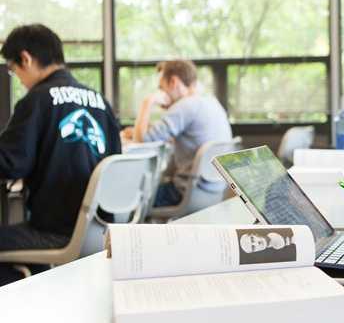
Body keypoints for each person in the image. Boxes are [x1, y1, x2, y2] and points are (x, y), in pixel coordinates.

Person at [0, 24, 121, 282]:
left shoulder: (36, 100)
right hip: (99, 229)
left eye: (14, 71)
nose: (19, 80)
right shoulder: (100, 101)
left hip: (56, 231)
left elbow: (10, 164)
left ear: (26, 59)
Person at [123, 60, 232, 207]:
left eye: (161, 88)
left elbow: (140, 141)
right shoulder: (211, 102)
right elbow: (174, 133)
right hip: (213, 191)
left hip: (185, 193)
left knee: (128, 198)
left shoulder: (185, 105)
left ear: (173, 82)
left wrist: (147, 102)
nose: (161, 93)